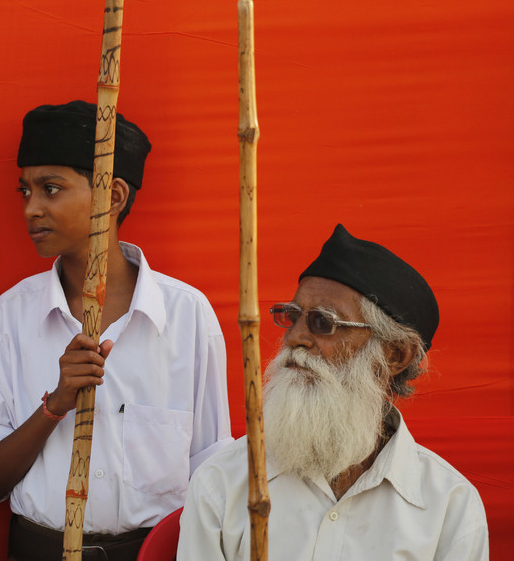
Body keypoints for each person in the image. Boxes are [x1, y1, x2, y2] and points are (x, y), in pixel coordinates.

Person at [0, 100, 232, 560]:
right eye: (24, 191)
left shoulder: (187, 316)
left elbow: (212, 472)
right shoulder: (9, 319)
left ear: (114, 196)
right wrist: (55, 406)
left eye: (51, 189)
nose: (32, 209)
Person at [177, 224, 489, 560]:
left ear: (395, 355)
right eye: (292, 316)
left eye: (323, 322)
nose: (294, 338)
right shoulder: (223, 483)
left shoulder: (449, 507)